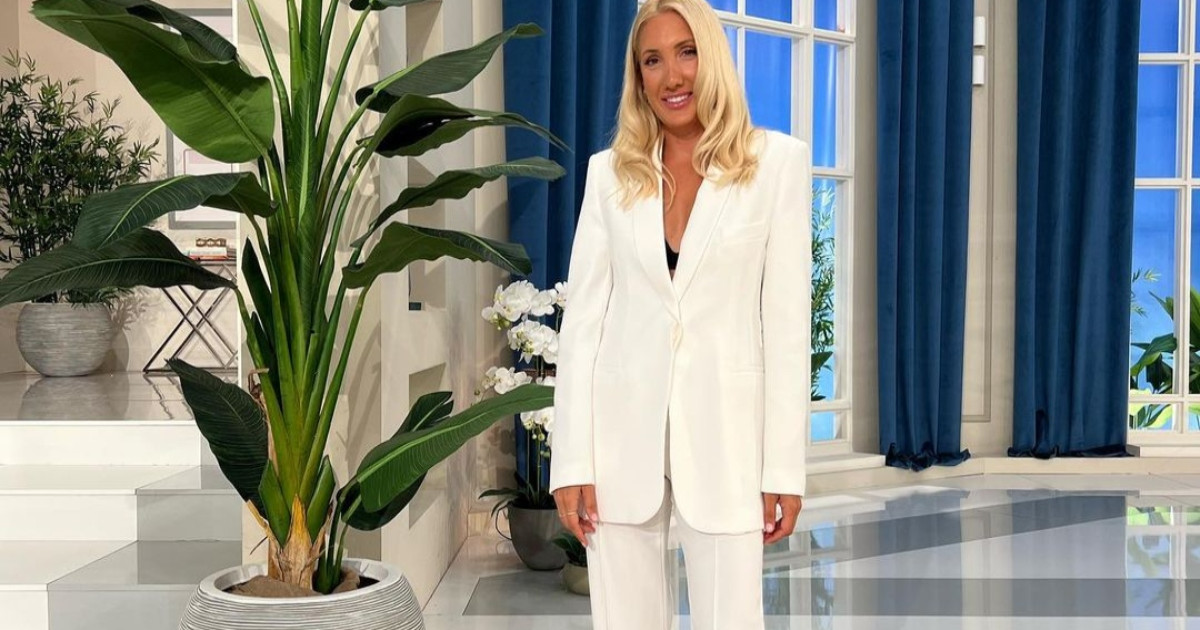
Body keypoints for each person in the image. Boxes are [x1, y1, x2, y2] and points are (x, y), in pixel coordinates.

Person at [548, 0, 811, 628]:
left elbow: (786, 327)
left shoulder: (775, 165)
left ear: (711, 56)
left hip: (728, 439)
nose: (672, 76)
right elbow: (582, 325)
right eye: (652, 60)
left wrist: (783, 467)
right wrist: (572, 463)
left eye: (686, 52)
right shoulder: (609, 175)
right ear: (638, 77)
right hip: (618, 441)